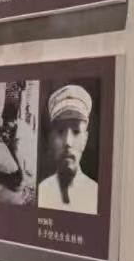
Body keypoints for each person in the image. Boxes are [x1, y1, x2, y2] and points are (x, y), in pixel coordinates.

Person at [38, 84, 98, 214]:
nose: (67, 142)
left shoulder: (96, 195)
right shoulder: (41, 192)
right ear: (52, 139)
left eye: (76, 131)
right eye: (60, 131)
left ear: (85, 140)